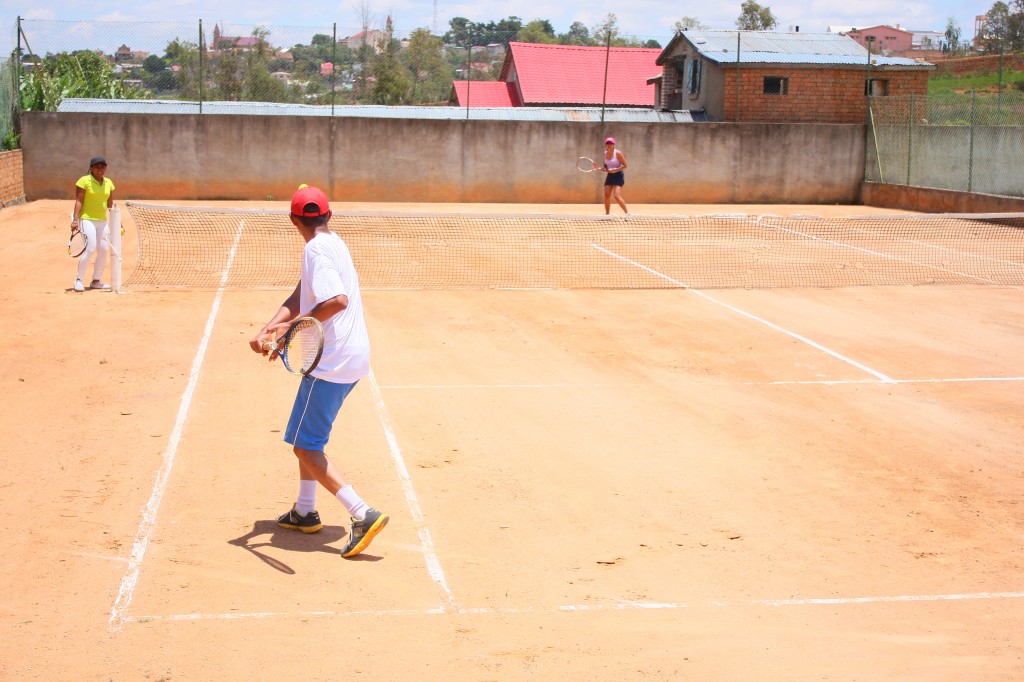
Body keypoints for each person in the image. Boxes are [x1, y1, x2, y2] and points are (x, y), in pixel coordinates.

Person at [249, 185, 389, 559]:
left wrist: (291, 329)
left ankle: (361, 513)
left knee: (304, 446)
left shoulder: (314, 248)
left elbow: (336, 301)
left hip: (331, 362)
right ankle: (305, 511)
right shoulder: (333, 244)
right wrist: (271, 326)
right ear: (328, 216)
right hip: (351, 358)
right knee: (312, 439)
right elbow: (304, 292)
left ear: (294, 220)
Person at [70, 156, 115, 292]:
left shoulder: (109, 183)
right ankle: (79, 280)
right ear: (91, 168)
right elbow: (79, 201)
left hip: (102, 221)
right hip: (86, 219)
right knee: (90, 249)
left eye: (102, 167)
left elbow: (110, 204)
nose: (100, 170)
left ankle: (96, 281)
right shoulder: (84, 181)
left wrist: (118, 222)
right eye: (97, 167)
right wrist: (75, 220)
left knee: (103, 250)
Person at [601, 137, 628, 215]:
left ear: (614, 144)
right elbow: (606, 165)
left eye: (611, 143)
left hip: (618, 175)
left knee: (616, 196)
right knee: (606, 196)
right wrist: (605, 168)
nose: (609, 145)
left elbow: (625, 165)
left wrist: (613, 170)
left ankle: (627, 214)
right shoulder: (605, 153)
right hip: (610, 176)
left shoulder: (618, 153)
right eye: (608, 143)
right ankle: (607, 214)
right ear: (605, 144)